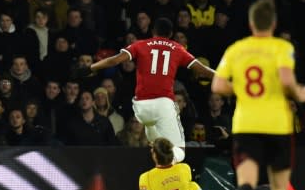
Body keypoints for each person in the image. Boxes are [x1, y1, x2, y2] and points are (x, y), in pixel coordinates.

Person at [211, 0, 305, 190]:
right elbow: (286, 81)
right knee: (279, 189)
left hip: (246, 123)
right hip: (277, 125)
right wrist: (303, 94)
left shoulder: (237, 49)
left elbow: (217, 86)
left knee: (246, 182)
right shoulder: (282, 47)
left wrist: (240, 90)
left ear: (251, 23)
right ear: (272, 23)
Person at [82, 18, 215, 163]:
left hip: (141, 108)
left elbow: (115, 60)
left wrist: (91, 68)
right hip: (163, 105)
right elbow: (202, 70)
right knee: (179, 152)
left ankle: (158, 170)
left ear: (153, 32)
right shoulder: (177, 48)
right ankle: (172, 177)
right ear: (170, 34)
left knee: (158, 147)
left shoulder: (140, 45)